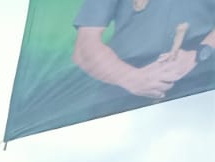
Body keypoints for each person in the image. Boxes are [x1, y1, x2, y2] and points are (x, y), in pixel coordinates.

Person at [72, 0, 214, 101]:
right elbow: (85, 48)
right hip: (125, 88)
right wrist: (130, 78)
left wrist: (200, 53)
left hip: (202, 76)